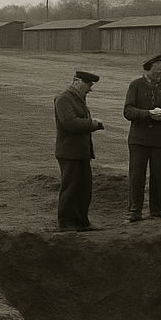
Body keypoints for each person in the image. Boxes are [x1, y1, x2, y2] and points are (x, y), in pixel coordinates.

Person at [122, 54, 161, 221]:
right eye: (156, 71)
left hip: (159, 139)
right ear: (147, 70)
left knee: (157, 174)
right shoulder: (135, 85)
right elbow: (128, 111)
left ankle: (156, 209)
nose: (159, 73)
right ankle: (135, 210)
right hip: (138, 139)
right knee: (137, 174)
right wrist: (147, 114)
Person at [54, 70, 106, 232]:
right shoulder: (64, 99)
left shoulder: (78, 99)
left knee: (84, 188)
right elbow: (70, 123)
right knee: (70, 188)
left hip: (81, 152)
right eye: (88, 85)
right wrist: (93, 124)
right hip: (69, 152)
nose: (90, 89)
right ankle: (66, 222)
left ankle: (82, 221)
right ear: (76, 81)